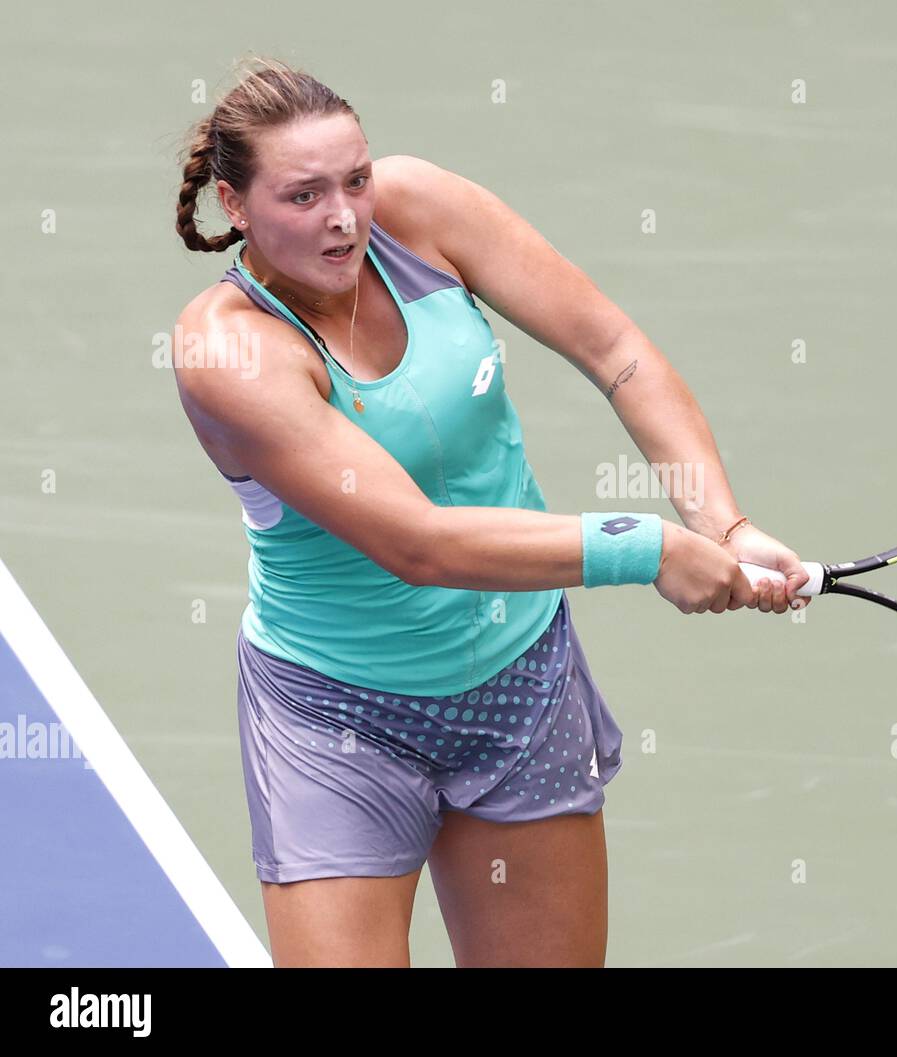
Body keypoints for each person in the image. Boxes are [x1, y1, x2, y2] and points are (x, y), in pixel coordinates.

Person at [171, 57, 812, 967]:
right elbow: (417, 543)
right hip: (337, 723)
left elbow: (614, 348)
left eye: (355, 179)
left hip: (519, 689)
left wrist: (725, 523)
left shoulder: (419, 208)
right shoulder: (226, 352)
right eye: (303, 195)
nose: (346, 216)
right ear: (234, 204)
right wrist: (650, 547)